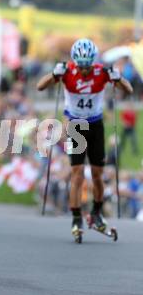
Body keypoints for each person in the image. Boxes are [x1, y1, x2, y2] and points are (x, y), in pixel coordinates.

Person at [37, 38, 133, 241]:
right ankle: (76, 217)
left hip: (96, 125)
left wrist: (118, 78)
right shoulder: (67, 70)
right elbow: (40, 86)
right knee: (77, 173)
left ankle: (96, 213)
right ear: (75, 62)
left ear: (93, 62)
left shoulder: (102, 72)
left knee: (98, 174)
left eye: (87, 66)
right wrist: (54, 74)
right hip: (76, 126)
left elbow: (128, 90)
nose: (84, 70)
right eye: (80, 66)